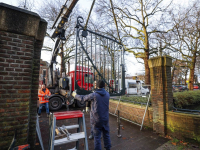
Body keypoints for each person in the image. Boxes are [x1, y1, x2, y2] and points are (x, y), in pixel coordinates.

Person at [72, 80, 111, 150]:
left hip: (96, 120)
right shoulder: (107, 94)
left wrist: (75, 95)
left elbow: (83, 98)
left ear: (97, 86)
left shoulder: (94, 95)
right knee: (106, 135)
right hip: (105, 119)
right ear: (104, 86)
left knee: (97, 138)